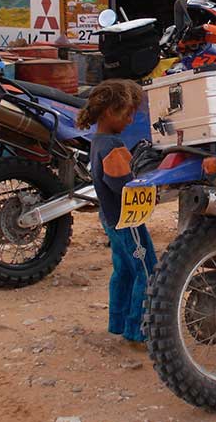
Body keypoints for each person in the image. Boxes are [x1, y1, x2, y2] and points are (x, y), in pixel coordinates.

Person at [77, 79, 157, 346]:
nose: (132, 119)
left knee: (123, 270)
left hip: (112, 220)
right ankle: (138, 330)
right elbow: (122, 185)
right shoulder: (113, 146)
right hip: (128, 221)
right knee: (146, 270)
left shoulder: (98, 141)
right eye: (128, 113)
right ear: (111, 111)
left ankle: (118, 322)